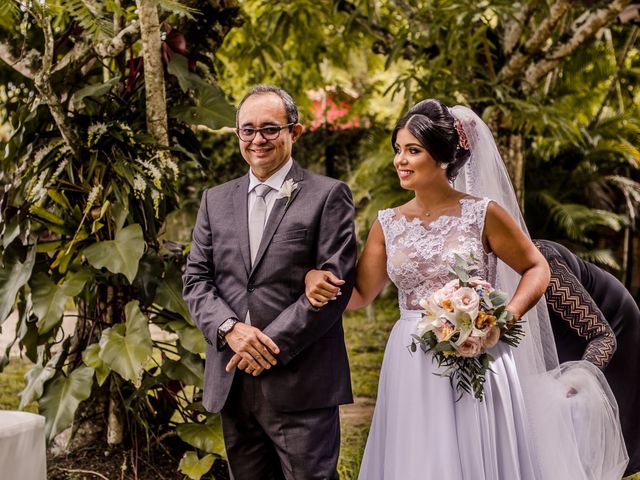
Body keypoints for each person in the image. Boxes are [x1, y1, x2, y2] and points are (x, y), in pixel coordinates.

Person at [305, 99, 628, 479]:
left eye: (413, 150)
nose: (400, 160)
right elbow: (359, 295)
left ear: (442, 157)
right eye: (398, 150)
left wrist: (503, 318)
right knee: (419, 458)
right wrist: (315, 280)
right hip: (411, 360)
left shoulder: (483, 213)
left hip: (480, 352)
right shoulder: (387, 224)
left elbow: (536, 267)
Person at [183, 85, 357, 480]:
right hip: (232, 378)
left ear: (294, 133)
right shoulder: (215, 200)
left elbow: (335, 287)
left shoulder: (328, 196)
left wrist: (265, 345)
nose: (257, 139)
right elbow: (196, 278)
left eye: (270, 129)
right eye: (248, 130)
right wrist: (231, 331)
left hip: (300, 381)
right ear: (237, 135)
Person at [534, 238, 640, 476]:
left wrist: (577, 380)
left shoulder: (541, 258)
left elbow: (603, 337)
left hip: (612, 325)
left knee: (600, 419)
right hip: (557, 334)